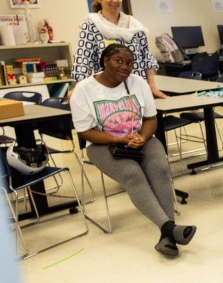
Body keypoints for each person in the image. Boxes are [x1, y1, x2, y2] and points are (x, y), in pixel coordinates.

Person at [71, 44, 196, 258]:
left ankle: (167, 234)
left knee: (160, 169)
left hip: (140, 138)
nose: (125, 67)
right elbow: (84, 131)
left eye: (129, 63)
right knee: (132, 174)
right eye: (118, 61)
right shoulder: (84, 89)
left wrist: (142, 137)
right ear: (104, 61)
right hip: (102, 144)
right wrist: (117, 138)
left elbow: (150, 119)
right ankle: (169, 228)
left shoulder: (138, 83)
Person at [72, 0, 167, 99]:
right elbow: (83, 61)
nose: (114, 0)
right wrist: (77, 89)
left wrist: (152, 87)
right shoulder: (91, 25)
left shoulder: (134, 25)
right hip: (107, 91)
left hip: (137, 88)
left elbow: (147, 58)